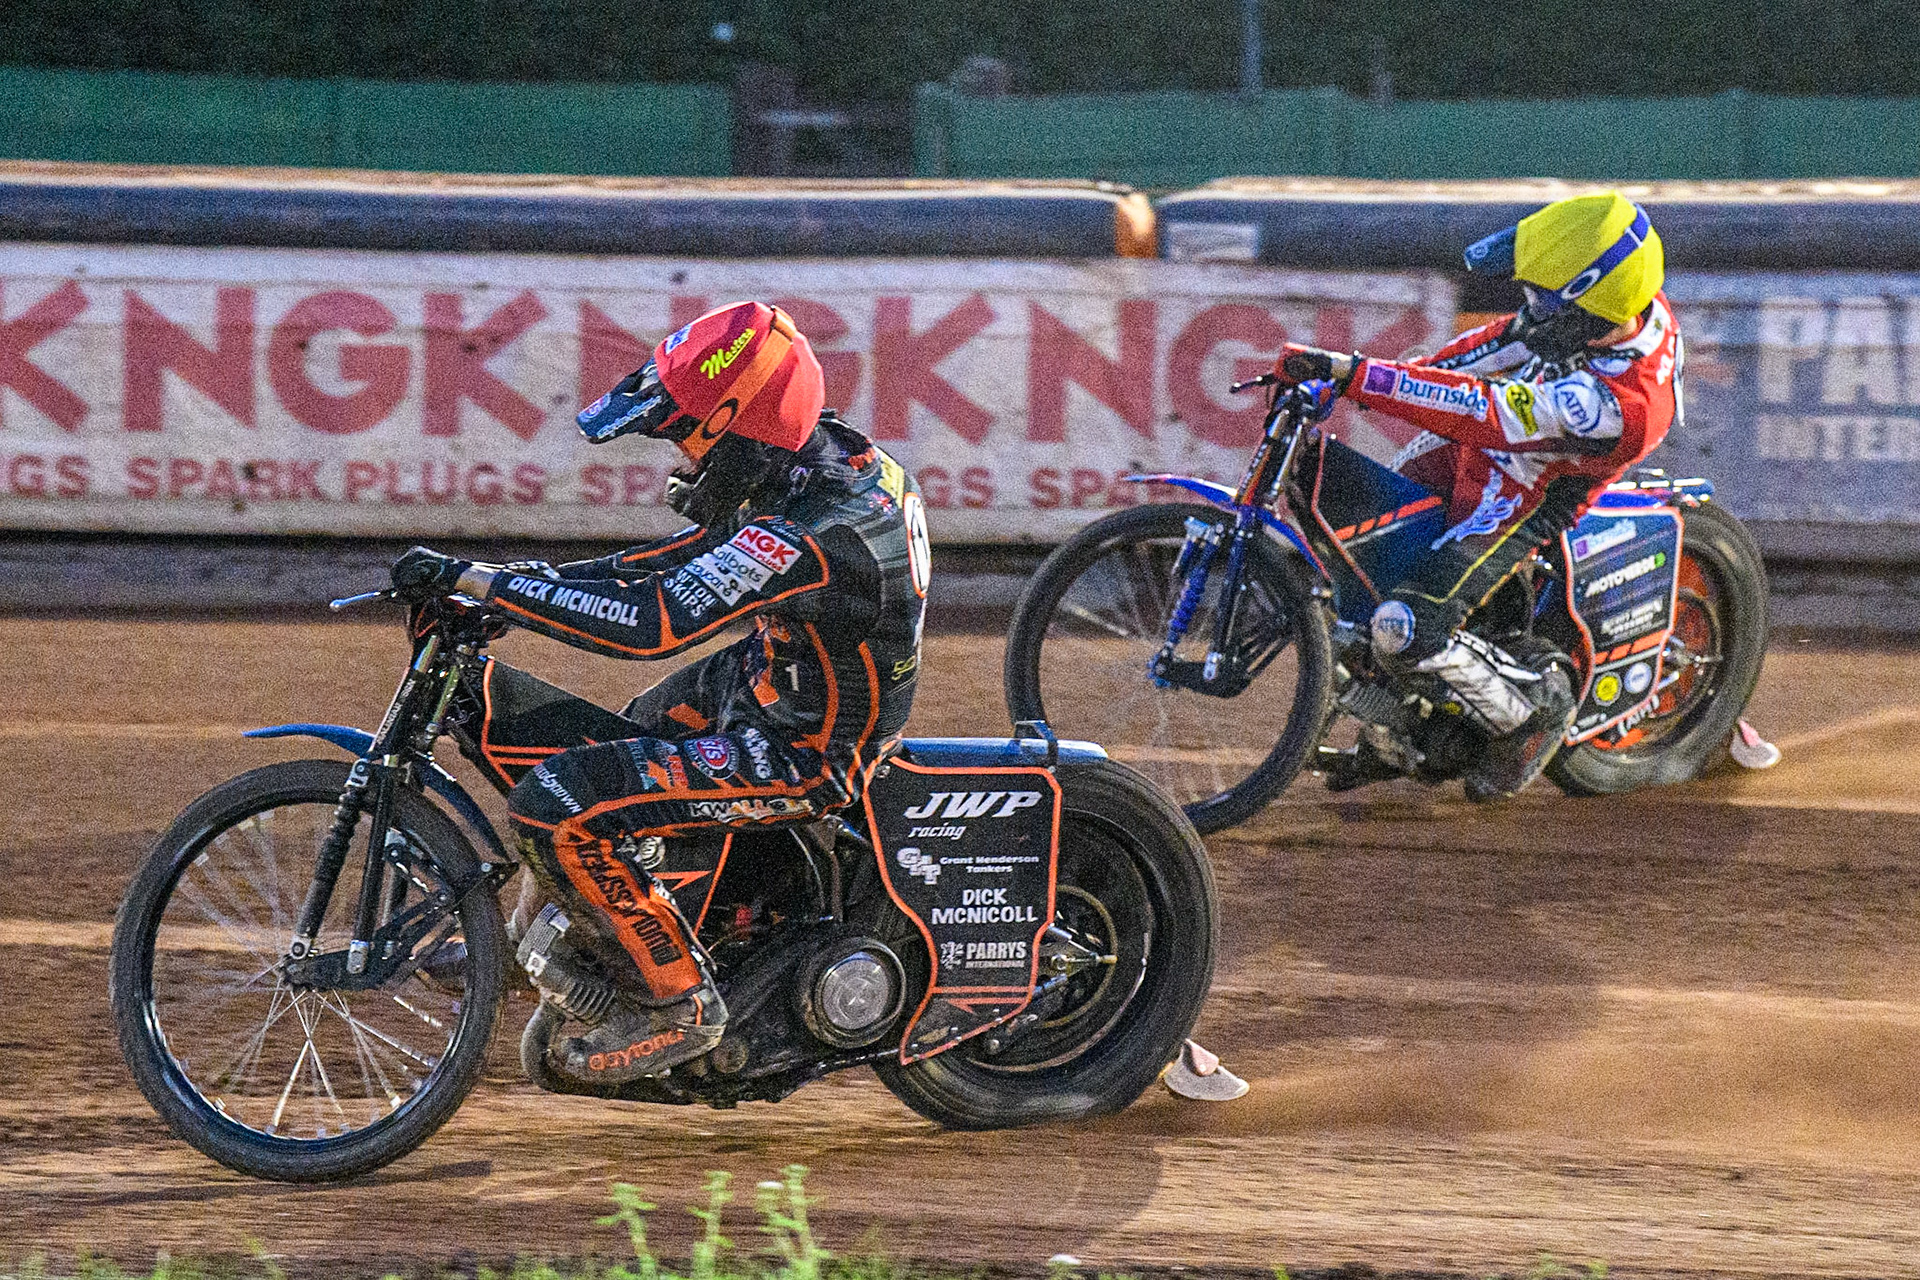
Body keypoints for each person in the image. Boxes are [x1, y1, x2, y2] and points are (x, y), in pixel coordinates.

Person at [389, 301, 929, 1082]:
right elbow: (674, 560)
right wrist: (518, 586)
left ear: (741, 426)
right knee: (621, 739)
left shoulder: (818, 528)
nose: (677, 457)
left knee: (559, 804)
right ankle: (554, 929)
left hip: (806, 751)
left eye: (686, 436)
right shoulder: (820, 460)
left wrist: (486, 583)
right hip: (764, 683)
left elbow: (653, 622)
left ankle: (678, 1004)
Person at [1272, 192, 1680, 799]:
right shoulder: (1616, 301)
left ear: (1588, 308)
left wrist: (1356, 376)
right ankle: (1408, 717)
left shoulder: (1620, 407)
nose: (1528, 305)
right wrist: (1363, 378)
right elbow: (1493, 348)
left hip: (1527, 492)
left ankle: (1535, 711)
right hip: (1495, 445)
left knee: (1405, 629)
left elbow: (1480, 408)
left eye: (1544, 295)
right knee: (1370, 544)